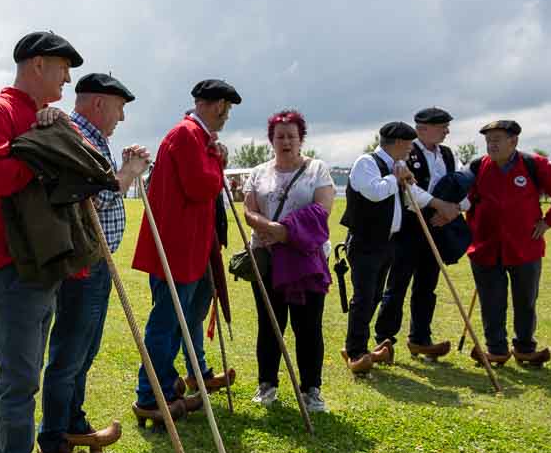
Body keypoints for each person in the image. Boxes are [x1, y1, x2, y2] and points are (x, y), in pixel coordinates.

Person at [0, 30, 88, 453]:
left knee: (18, 377)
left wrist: (60, 130)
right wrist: (41, 142)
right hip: (11, 266)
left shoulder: (42, 114)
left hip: (38, 267)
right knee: (19, 381)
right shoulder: (0, 112)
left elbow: (85, 169)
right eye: (63, 67)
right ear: (37, 65)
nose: (67, 77)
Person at [37, 73, 149, 453]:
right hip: (81, 264)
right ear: (99, 103)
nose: (121, 117)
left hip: (97, 260)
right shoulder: (73, 135)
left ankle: (72, 421)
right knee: (69, 352)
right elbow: (91, 200)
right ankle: (53, 438)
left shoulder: (92, 137)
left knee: (84, 350)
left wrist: (125, 166)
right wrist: (129, 173)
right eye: (119, 107)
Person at [130, 79, 239, 422]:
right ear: (213, 104)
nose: (226, 114)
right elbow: (201, 185)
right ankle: (149, 396)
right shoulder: (187, 135)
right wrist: (218, 164)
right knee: (165, 323)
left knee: (175, 322)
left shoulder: (197, 137)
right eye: (224, 106)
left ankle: (165, 384)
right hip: (175, 249)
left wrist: (215, 157)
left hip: (187, 247)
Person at [241, 109, 335, 412]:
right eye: (279, 136)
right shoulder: (258, 172)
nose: (285, 142)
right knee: (270, 323)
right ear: (271, 139)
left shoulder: (317, 169)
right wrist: (270, 230)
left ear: (300, 138)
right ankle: (267, 384)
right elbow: (249, 210)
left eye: (291, 136)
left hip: (305, 261)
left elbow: (323, 209)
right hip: (267, 259)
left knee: (308, 326)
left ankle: (311, 390)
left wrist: (285, 233)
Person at [466, 120, 551, 365]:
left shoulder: (533, 165)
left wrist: (550, 221)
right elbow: (465, 202)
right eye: (488, 140)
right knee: (491, 302)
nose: (491, 145)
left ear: (513, 141)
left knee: (525, 301)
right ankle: (496, 349)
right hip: (486, 248)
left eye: (497, 140)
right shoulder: (476, 167)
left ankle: (525, 348)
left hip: (525, 247)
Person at [373, 107, 466, 360]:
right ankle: (384, 340)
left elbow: (462, 183)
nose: (447, 131)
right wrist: (439, 204)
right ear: (423, 128)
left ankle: (420, 339)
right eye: (442, 126)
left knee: (427, 285)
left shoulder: (448, 154)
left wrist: (453, 210)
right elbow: (408, 190)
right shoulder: (405, 152)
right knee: (398, 285)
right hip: (409, 227)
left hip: (438, 226)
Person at [340, 121, 419, 374]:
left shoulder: (397, 166)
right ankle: (355, 351)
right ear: (397, 143)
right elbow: (374, 192)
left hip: (387, 242)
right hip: (365, 242)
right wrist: (394, 178)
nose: (410, 150)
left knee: (374, 295)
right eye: (408, 144)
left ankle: (358, 344)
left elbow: (406, 197)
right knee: (363, 296)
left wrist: (408, 182)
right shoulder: (367, 163)